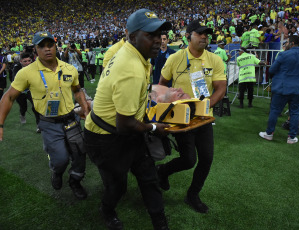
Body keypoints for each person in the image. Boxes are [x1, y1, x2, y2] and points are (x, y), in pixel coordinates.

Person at [83, 9, 171, 230]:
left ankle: (160, 223)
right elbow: (125, 125)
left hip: (124, 129)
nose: (158, 40)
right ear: (132, 37)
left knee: (149, 177)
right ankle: (107, 209)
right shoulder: (131, 67)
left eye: (160, 34)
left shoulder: (135, 55)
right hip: (106, 137)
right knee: (117, 186)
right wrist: (153, 127)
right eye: (150, 34)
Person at [0, 32, 90, 199]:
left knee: (79, 154)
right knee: (61, 159)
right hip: (49, 123)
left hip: (71, 119)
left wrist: (85, 107)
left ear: (56, 46)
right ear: (36, 49)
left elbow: (77, 90)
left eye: (50, 45)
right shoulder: (26, 73)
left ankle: (75, 182)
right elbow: (9, 96)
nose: (47, 49)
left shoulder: (69, 68)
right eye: (42, 46)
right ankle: (56, 171)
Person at [158, 20, 227, 214]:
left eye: (207, 34)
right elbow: (162, 85)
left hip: (204, 118)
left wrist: (206, 106)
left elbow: (221, 88)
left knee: (206, 158)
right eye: (200, 33)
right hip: (181, 119)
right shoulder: (175, 58)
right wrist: (164, 113)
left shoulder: (214, 59)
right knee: (188, 160)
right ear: (188, 36)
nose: (205, 36)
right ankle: (162, 172)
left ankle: (193, 195)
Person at [259, 35, 299, 144]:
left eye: (287, 42)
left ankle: (269, 134)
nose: (286, 44)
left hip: (282, 88)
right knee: (295, 113)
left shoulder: (283, 54)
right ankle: (291, 137)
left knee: (275, 111)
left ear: (291, 43)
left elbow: (272, 69)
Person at [12, 52, 40, 129]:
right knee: (23, 107)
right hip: (20, 91)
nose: (27, 63)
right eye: (25, 61)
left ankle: (38, 125)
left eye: (29, 61)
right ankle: (22, 115)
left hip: (31, 90)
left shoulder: (34, 67)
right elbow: (14, 79)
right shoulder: (16, 67)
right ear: (21, 61)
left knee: (35, 107)